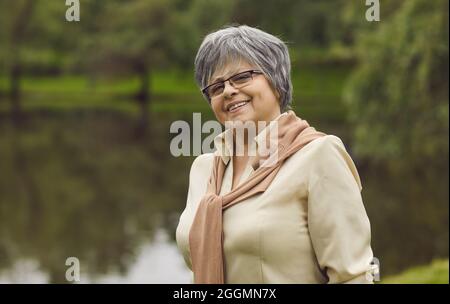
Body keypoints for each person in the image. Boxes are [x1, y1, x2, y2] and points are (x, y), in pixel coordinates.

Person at [176, 25, 375, 284]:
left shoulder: (318, 155)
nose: (228, 90)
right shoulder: (204, 169)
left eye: (242, 76)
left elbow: (354, 276)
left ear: (276, 82)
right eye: (216, 87)